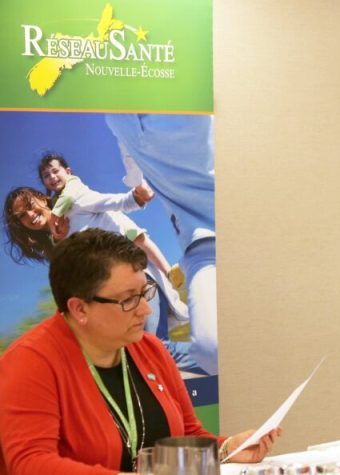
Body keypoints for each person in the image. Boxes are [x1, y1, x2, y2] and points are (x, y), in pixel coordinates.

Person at [0, 229, 281, 475]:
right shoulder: (30, 361)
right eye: (129, 300)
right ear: (79, 309)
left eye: (144, 293)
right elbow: (30, 464)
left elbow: (188, 433)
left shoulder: (149, 348)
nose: (145, 310)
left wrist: (228, 448)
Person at [105, 113, 218, 375]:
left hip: (249, 223)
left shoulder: (191, 100)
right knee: (208, 349)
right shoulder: (116, 118)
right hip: (201, 245)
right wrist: (136, 185)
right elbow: (128, 155)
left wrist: (168, 272)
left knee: (150, 346)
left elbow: (140, 237)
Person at [37, 153, 189, 324]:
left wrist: (136, 198)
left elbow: (109, 201)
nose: (52, 177)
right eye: (46, 176)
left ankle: (169, 272)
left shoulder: (74, 192)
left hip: (122, 236)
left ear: (68, 171)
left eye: (55, 171)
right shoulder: (60, 205)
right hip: (113, 262)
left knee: (140, 239)